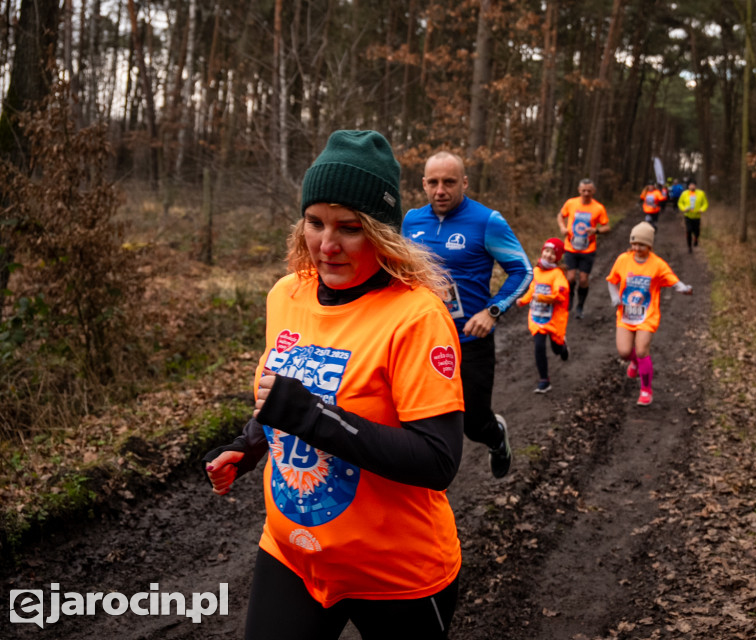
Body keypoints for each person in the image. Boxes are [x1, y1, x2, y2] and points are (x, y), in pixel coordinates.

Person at [204, 130, 464, 640]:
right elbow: (279, 393)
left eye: (349, 228)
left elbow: (438, 461)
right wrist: (249, 443)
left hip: (395, 573)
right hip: (292, 554)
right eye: (315, 222)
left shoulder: (416, 316)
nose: (326, 245)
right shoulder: (286, 295)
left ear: (383, 233)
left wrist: (306, 413)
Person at [403, 151, 532, 479]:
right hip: (425, 339)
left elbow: (522, 271)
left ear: (464, 182)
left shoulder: (487, 221)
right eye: (433, 182)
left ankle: (496, 436)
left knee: (474, 423)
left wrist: (492, 311)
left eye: (448, 182)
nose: (440, 190)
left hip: (470, 338)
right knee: (421, 418)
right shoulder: (411, 221)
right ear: (423, 184)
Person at [606, 222, 692, 407]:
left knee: (642, 349)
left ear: (650, 246)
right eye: (634, 244)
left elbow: (672, 279)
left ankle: (646, 389)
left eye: (641, 245)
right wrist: (614, 297)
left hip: (647, 315)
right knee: (624, 352)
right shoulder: (623, 260)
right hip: (626, 314)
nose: (637, 248)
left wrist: (683, 288)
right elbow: (612, 281)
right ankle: (635, 362)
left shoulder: (657, 264)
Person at [516, 237, 570, 394]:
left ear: (557, 258)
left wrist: (543, 298)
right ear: (542, 251)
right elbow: (532, 290)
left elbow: (561, 294)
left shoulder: (557, 274)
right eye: (547, 251)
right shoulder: (536, 271)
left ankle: (563, 347)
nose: (548, 255)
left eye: (553, 254)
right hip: (537, 317)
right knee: (539, 347)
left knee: (556, 348)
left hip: (553, 318)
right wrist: (523, 300)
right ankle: (544, 380)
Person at [556, 178, 611, 319]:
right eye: (584, 190)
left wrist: (596, 230)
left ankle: (580, 305)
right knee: (570, 277)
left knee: (584, 279)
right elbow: (560, 216)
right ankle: (569, 301)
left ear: (593, 191)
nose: (586, 193)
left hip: (588, 249)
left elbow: (607, 226)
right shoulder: (571, 203)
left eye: (589, 191)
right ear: (579, 190)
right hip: (570, 247)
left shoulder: (598, 208)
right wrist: (562, 227)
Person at [678, 178, 708, 252]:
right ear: (688, 186)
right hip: (688, 216)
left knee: (696, 231)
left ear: (695, 186)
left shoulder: (701, 193)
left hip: (697, 216)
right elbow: (680, 203)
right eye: (690, 185)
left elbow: (705, 203)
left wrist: (702, 209)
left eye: (693, 185)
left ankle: (696, 239)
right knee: (689, 230)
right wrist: (683, 208)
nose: (692, 186)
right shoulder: (684, 193)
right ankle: (689, 247)